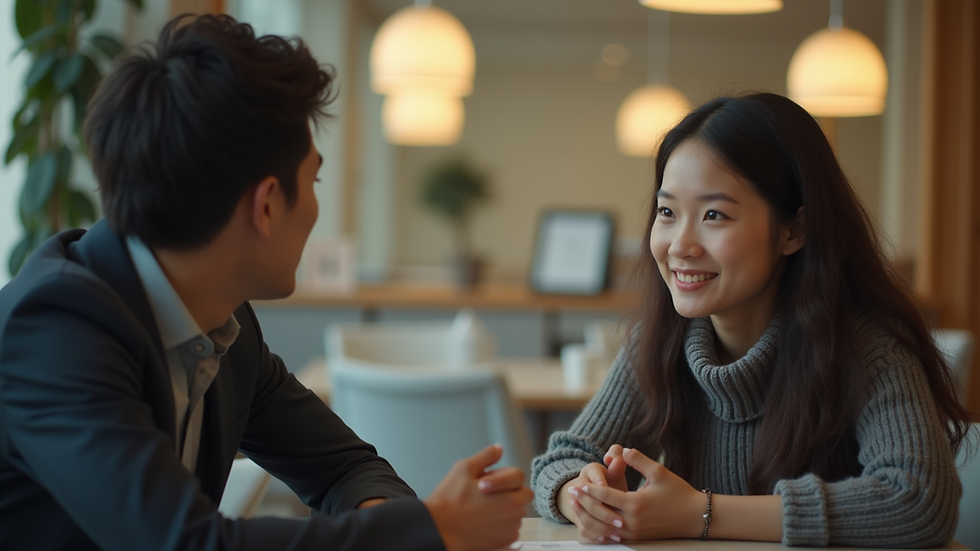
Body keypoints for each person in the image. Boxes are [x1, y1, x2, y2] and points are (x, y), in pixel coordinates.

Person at [0, 14, 531, 551]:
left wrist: (396, 524)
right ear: (268, 204)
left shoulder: (222, 324)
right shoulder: (53, 328)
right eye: (314, 179)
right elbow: (181, 544)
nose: (319, 208)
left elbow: (345, 467)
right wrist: (428, 530)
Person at [530, 92, 975, 547]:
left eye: (714, 215)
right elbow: (563, 459)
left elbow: (919, 501)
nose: (680, 244)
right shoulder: (658, 341)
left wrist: (699, 514)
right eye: (667, 212)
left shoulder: (869, 351)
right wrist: (581, 497)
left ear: (794, 230)